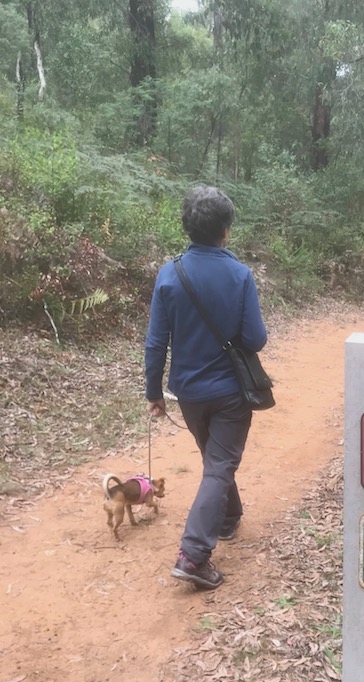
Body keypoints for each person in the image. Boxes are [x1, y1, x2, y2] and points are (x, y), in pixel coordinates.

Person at [145, 185, 268, 589]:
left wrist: (153, 392)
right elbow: (255, 339)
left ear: (187, 227)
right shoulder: (239, 275)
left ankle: (229, 516)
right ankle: (194, 556)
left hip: (188, 393)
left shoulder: (170, 273)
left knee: (216, 461)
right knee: (219, 465)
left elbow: (156, 342)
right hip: (231, 392)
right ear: (225, 230)